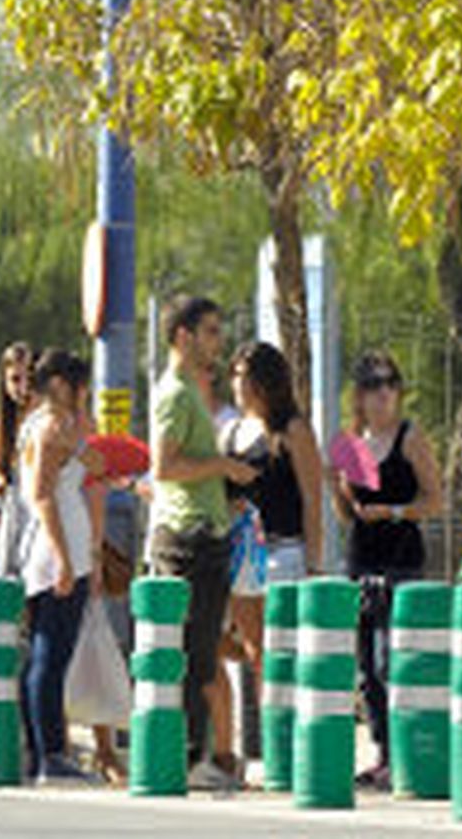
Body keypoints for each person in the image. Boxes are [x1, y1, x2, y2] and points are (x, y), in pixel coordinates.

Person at [148, 296, 258, 792]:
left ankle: (192, 753)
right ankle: (189, 757)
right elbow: (164, 468)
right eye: (210, 331)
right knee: (195, 653)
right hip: (188, 540)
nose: (218, 341)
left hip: (205, 532)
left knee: (201, 651)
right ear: (183, 336)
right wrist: (222, 467)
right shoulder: (173, 393)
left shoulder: (189, 392)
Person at [212, 341, 325, 783]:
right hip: (242, 554)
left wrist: (314, 563)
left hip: (285, 551)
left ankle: (288, 747)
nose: (237, 383)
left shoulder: (293, 429)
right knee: (255, 651)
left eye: (244, 375)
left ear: (264, 380)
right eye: (234, 374)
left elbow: (313, 497)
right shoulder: (231, 432)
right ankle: (262, 745)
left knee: (282, 653)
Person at [331, 350, 444, 790]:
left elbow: (435, 500)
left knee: (389, 660)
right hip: (361, 558)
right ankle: (382, 753)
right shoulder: (351, 441)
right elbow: (349, 514)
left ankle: (404, 754)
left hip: (401, 559)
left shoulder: (410, 438)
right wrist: (337, 487)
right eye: (374, 385)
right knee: (365, 666)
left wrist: (395, 511)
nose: (384, 394)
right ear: (358, 394)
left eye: (391, 384)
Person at [14, 349, 104, 783]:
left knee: (45, 656)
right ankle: (50, 751)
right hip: (56, 553)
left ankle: (42, 752)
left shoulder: (46, 425)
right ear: (61, 385)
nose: (84, 393)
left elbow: (99, 465)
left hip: (58, 550)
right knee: (50, 655)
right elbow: (44, 495)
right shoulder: (50, 427)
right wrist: (66, 561)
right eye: (79, 385)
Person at [0, 342, 35, 575]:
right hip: (17, 517)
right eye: (15, 379)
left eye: (30, 378)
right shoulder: (2, 427)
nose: (23, 387)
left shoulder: (53, 422)